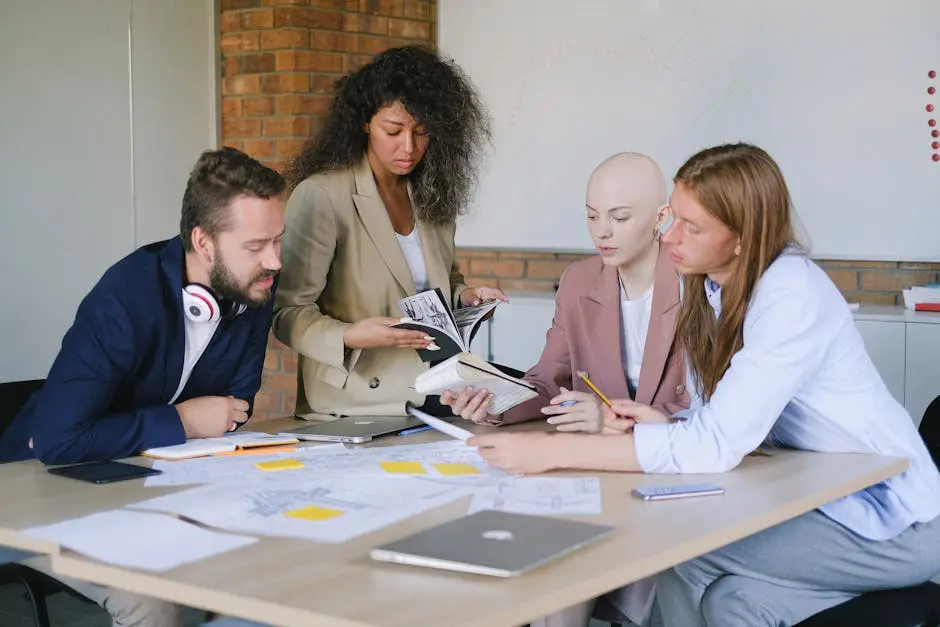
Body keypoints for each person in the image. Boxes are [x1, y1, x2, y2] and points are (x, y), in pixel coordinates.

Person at [468, 143, 940, 626]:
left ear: (741, 238)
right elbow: (721, 416)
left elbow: (714, 444)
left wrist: (554, 453)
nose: (669, 237)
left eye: (689, 227)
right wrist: (664, 421)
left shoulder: (791, 294)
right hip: (819, 496)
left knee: (679, 553)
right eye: (673, 219)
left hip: (892, 520)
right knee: (730, 605)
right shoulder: (709, 287)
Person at [0, 146, 284, 627]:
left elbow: (233, 410)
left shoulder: (253, 287)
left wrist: (197, 424)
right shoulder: (124, 298)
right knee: (151, 599)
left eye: (277, 240)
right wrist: (183, 421)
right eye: (255, 246)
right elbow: (59, 439)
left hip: (147, 486)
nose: (274, 261)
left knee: (278, 551)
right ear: (203, 242)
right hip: (37, 494)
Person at [442, 152, 688, 627]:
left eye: (619, 217)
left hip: (670, 474)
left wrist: (609, 418)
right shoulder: (579, 282)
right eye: (592, 216)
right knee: (536, 559)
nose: (602, 232)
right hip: (589, 472)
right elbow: (546, 382)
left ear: (662, 217)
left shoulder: (697, 283)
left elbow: (710, 411)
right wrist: (493, 402)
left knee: (569, 565)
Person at [273, 45, 505, 420]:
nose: (409, 147)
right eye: (393, 131)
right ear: (365, 122)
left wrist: (467, 298)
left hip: (437, 385)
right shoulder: (323, 196)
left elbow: (440, 281)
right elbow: (286, 313)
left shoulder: (431, 193)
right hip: (360, 399)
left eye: (422, 132)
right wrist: (350, 336)